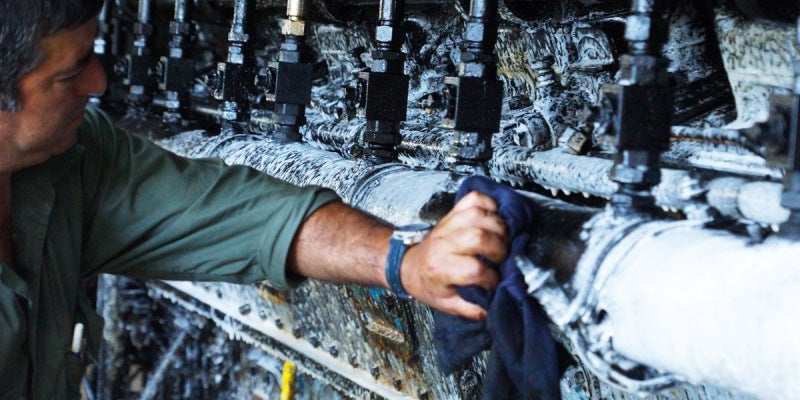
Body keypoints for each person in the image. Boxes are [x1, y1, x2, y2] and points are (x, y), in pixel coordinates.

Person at [0, 1, 509, 398]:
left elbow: (236, 213)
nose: (98, 82)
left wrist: (405, 259)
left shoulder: (76, 158)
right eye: (71, 73)